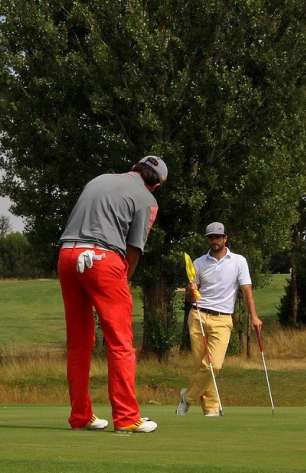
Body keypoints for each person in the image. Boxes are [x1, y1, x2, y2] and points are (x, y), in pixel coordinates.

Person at [57, 155, 167, 433]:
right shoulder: (147, 200)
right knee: (120, 341)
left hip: (67, 256)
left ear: (134, 168)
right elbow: (133, 249)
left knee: (79, 342)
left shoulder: (100, 179)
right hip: (103, 259)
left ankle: (80, 416)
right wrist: (123, 281)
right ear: (155, 185)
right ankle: (127, 418)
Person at [177, 222, 263, 417]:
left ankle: (187, 397)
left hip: (223, 318)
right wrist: (191, 292)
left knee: (213, 365)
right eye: (211, 237)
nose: (214, 241)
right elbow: (190, 298)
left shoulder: (239, 261)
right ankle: (211, 409)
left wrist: (254, 317)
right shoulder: (198, 263)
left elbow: (247, 291)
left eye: (218, 237)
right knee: (201, 366)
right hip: (198, 315)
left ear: (225, 238)